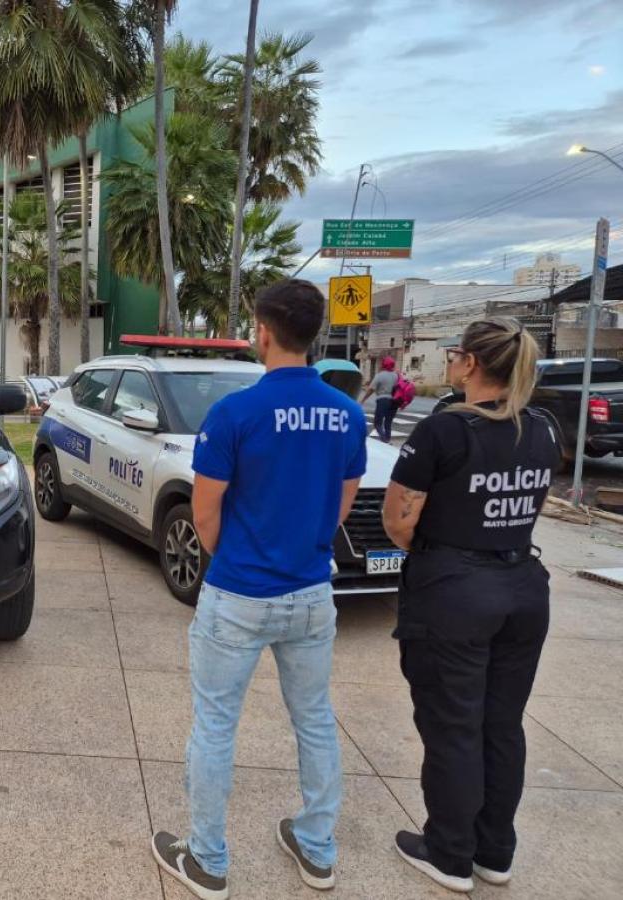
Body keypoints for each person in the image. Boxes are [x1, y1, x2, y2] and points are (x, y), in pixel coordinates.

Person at [150, 279, 366, 899]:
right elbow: (339, 509)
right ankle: (317, 848)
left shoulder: (234, 413)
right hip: (312, 592)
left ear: (263, 333)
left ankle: (208, 859)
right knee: (315, 719)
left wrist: (239, 559)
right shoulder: (348, 414)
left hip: (240, 592)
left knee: (216, 724)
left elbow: (205, 515)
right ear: (315, 334)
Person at [381, 317, 559, 894]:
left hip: (455, 591)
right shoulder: (543, 427)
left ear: (472, 364)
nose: (451, 361)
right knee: (502, 725)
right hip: (522, 586)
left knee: (454, 725)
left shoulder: (445, 429)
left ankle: (450, 852)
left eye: (455, 353)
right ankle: (494, 851)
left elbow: (398, 522)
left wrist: (444, 552)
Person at [361, 357, 399, 442]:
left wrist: (363, 399)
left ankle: (384, 439)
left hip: (383, 400)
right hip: (394, 401)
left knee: (377, 423)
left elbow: (371, 389)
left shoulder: (380, 375)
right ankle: (387, 439)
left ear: (383, 365)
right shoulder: (396, 376)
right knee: (388, 422)